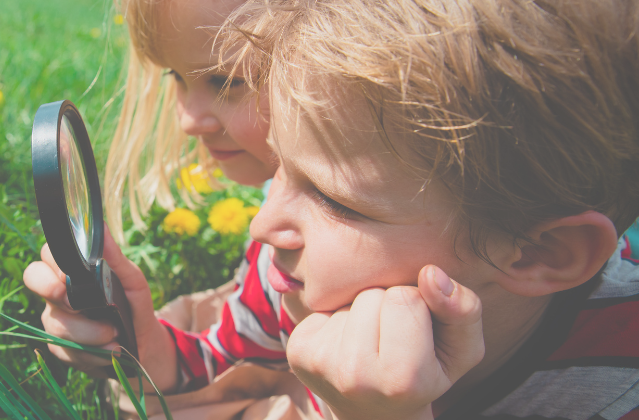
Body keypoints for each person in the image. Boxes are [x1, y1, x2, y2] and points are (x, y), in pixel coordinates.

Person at [219, 0, 639, 418]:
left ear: (538, 251)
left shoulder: (616, 389)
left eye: (333, 200)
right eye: (278, 163)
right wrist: (167, 357)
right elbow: (226, 350)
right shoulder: (292, 273)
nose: (263, 223)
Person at [24, 0, 311, 417]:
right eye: (176, 77)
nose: (187, 120)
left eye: (226, 79)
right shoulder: (272, 258)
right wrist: (147, 345)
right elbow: (228, 353)